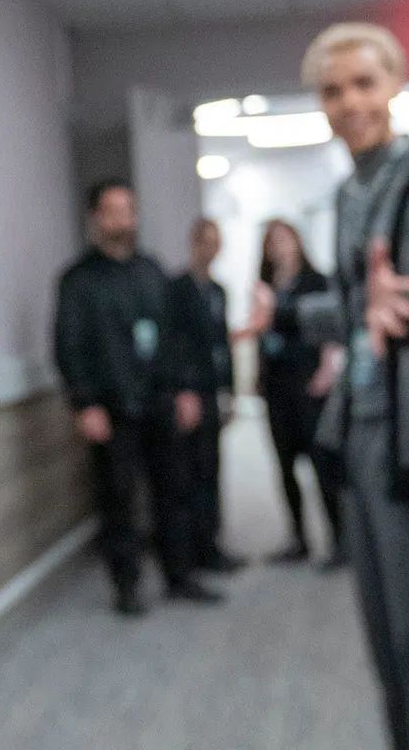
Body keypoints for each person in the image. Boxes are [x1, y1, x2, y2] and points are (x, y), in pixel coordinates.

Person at [252, 22, 409, 750]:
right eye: (332, 91)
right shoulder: (351, 194)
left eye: (364, 83)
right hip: (361, 435)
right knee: (388, 640)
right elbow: (359, 308)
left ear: (396, 85)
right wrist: (285, 315)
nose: (350, 103)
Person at [55, 180, 222, 615]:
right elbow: (69, 345)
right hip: (112, 409)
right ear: (96, 218)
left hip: (159, 402)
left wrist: (184, 389)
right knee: (119, 499)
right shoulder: (79, 281)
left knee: (173, 490)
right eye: (112, 210)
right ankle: (126, 585)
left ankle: (178, 575)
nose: (122, 219)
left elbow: (173, 338)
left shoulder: (152, 272)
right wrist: (84, 403)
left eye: (128, 209)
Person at [248, 219, 346, 569]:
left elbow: (333, 326)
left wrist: (327, 369)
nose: (279, 247)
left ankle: (340, 538)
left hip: (309, 382)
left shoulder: (315, 282)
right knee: (285, 464)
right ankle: (298, 538)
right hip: (277, 386)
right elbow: (260, 332)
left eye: (284, 239)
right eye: (272, 241)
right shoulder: (265, 286)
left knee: (322, 463)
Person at [165, 219, 249, 574]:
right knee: (188, 473)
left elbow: (221, 344)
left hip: (213, 391)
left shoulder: (218, 291)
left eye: (216, 242)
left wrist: (229, 390)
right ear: (193, 243)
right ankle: (190, 553)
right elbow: (174, 344)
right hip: (190, 395)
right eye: (205, 241)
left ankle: (211, 545)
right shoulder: (177, 289)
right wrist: (182, 389)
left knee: (211, 469)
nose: (210, 248)